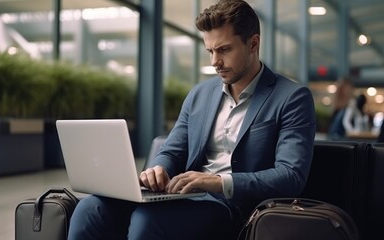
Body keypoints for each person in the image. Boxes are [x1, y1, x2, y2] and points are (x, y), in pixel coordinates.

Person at [68, 1, 316, 239]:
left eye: (224, 50)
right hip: (183, 197)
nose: (214, 62)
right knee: (90, 208)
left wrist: (218, 182)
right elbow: (172, 149)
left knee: (148, 220)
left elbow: (290, 175)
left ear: (253, 44)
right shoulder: (200, 94)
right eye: (209, 51)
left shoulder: (291, 97)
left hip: (233, 207)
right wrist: (158, 169)